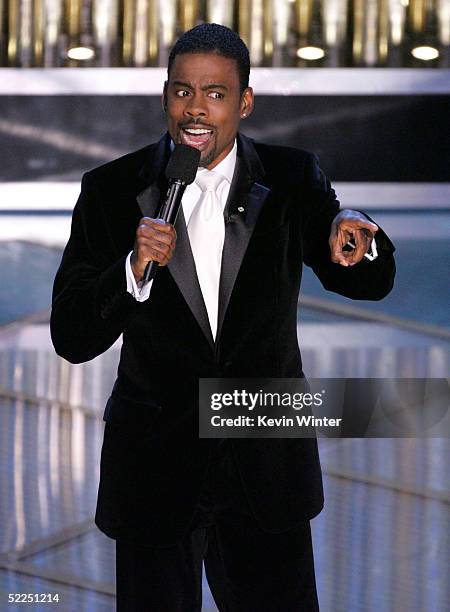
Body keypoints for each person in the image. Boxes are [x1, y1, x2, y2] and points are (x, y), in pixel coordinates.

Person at [51, 23, 395, 612]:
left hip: (265, 464)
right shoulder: (110, 190)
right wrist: (131, 270)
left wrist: (359, 241)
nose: (196, 109)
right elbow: (72, 334)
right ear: (165, 96)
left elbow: (366, 278)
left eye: (215, 93)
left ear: (245, 101)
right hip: (156, 469)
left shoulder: (292, 178)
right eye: (183, 91)